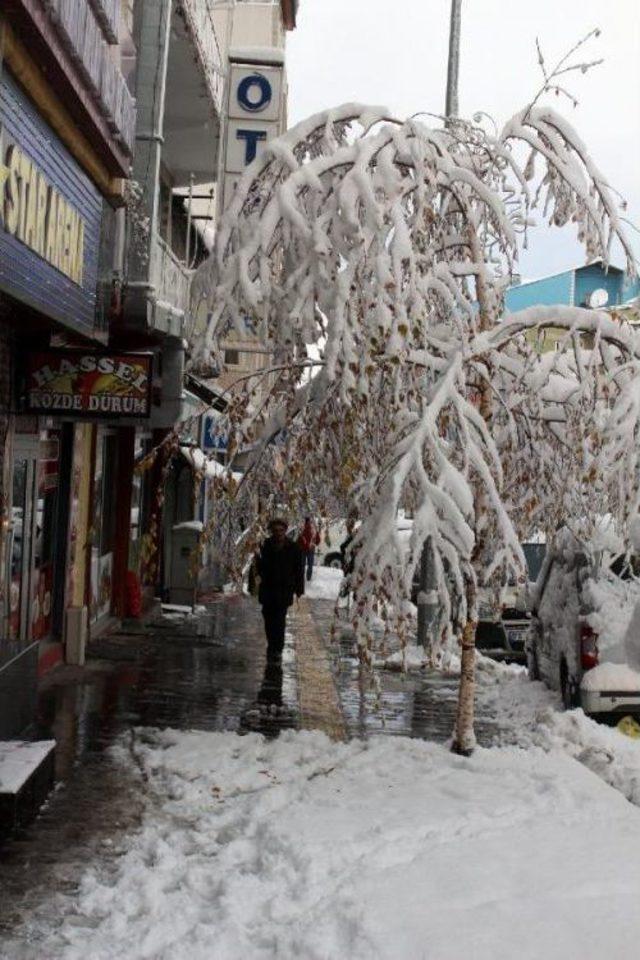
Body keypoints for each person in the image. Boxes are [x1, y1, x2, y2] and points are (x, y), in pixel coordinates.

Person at [255, 518, 304, 659]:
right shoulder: (265, 545)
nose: (278, 533)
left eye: (281, 530)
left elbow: (298, 570)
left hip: (284, 591)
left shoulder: (293, 548)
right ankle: (272, 644)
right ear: (271, 531)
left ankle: (277, 648)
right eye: (275, 531)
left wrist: (299, 589)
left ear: (285, 531)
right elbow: (258, 568)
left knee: (280, 620)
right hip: (268, 590)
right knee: (268, 618)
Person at [298, 516, 320, 582]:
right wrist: (314, 543)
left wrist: (301, 546)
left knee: (302, 565)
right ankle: (308, 578)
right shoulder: (314, 530)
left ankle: (301, 578)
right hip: (311, 550)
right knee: (310, 565)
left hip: (303, 550)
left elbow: (298, 541)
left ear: (305, 521)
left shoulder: (302, 530)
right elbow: (318, 541)